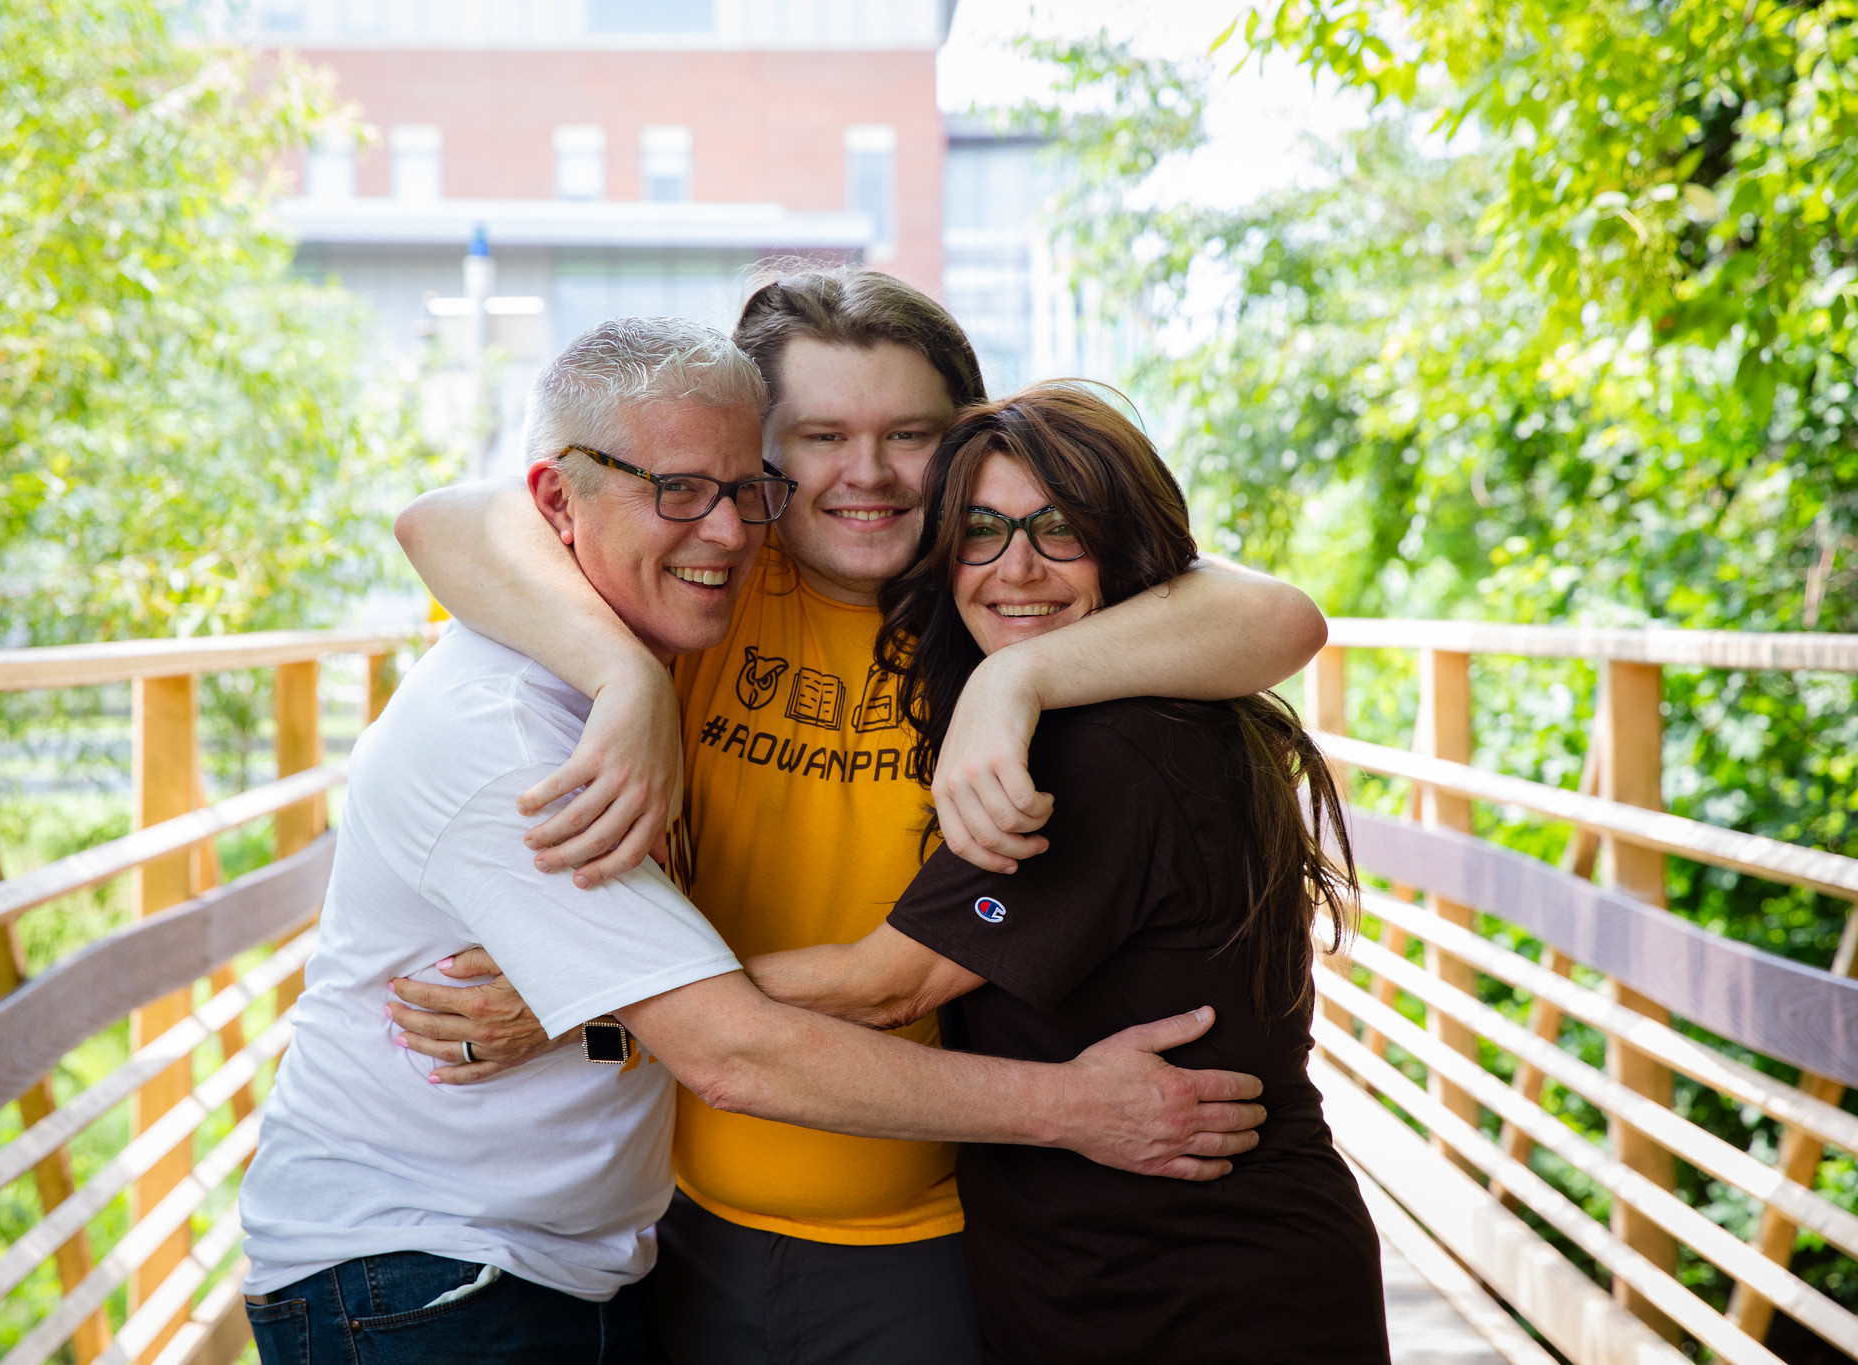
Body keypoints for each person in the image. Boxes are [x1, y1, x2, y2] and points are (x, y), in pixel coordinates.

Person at [237, 322, 1269, 1365]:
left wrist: (1014, 680)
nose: (862, 473)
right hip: (621, 1237)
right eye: (818, 435)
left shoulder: (988, 606)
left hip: (896, 1231)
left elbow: (1268, 612)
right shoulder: (707, 591)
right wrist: (623, 677)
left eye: (907, 433)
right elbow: (447, 520)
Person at [745, 382, 1390, 1363]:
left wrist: (604, 995)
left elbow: (887, 984)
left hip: (1197, 1296)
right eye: (983, 530)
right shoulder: (1158, 708)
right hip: (1158, 1276)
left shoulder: (1103, 759)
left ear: (1127, 552)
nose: (1018, 569)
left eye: (1060, 530)